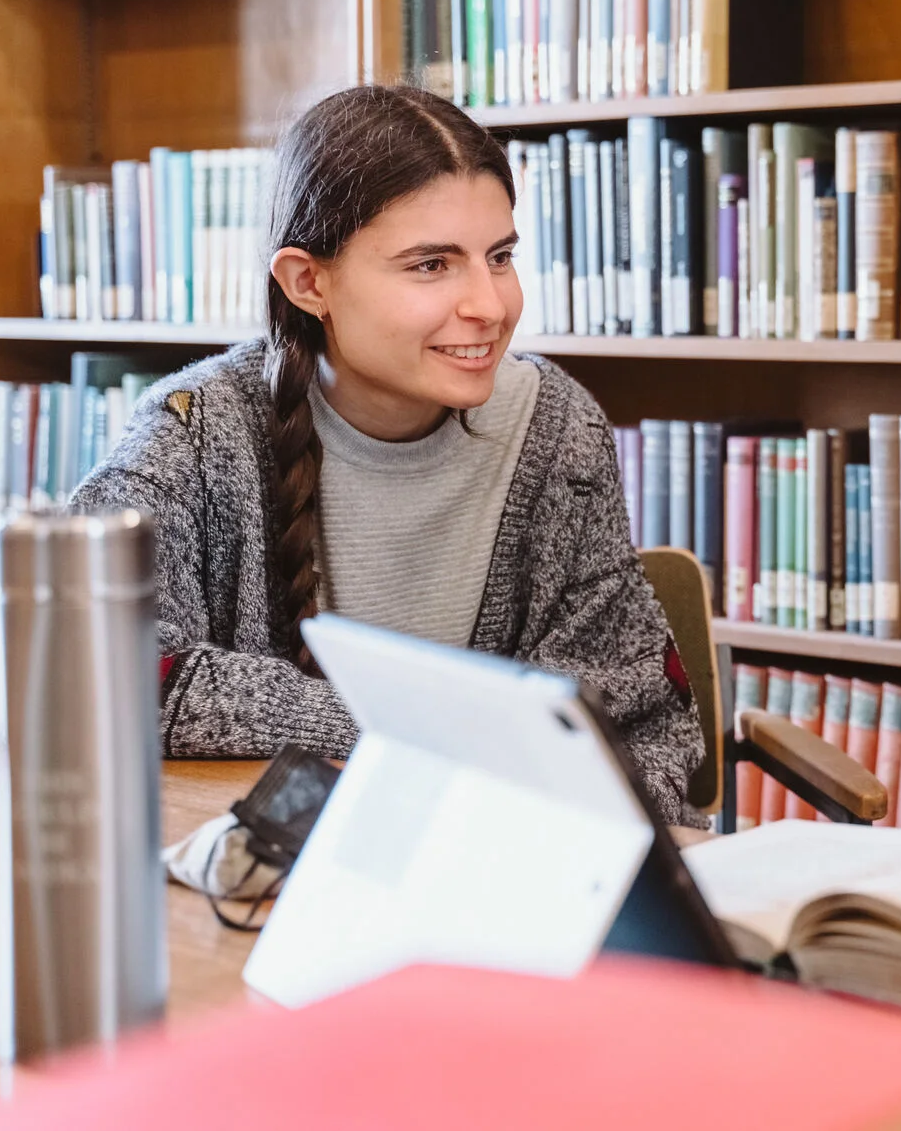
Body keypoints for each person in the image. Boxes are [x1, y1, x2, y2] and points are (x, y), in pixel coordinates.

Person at [75, 84, 706, 827]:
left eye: (499, 256)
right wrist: (431, 729)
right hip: (271, 894)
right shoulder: (191, 432)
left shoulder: (558, 428)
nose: (492, 305)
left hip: (511, 876)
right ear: (308, 282)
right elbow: (92, 671)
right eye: (432, 265)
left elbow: (644, 721)